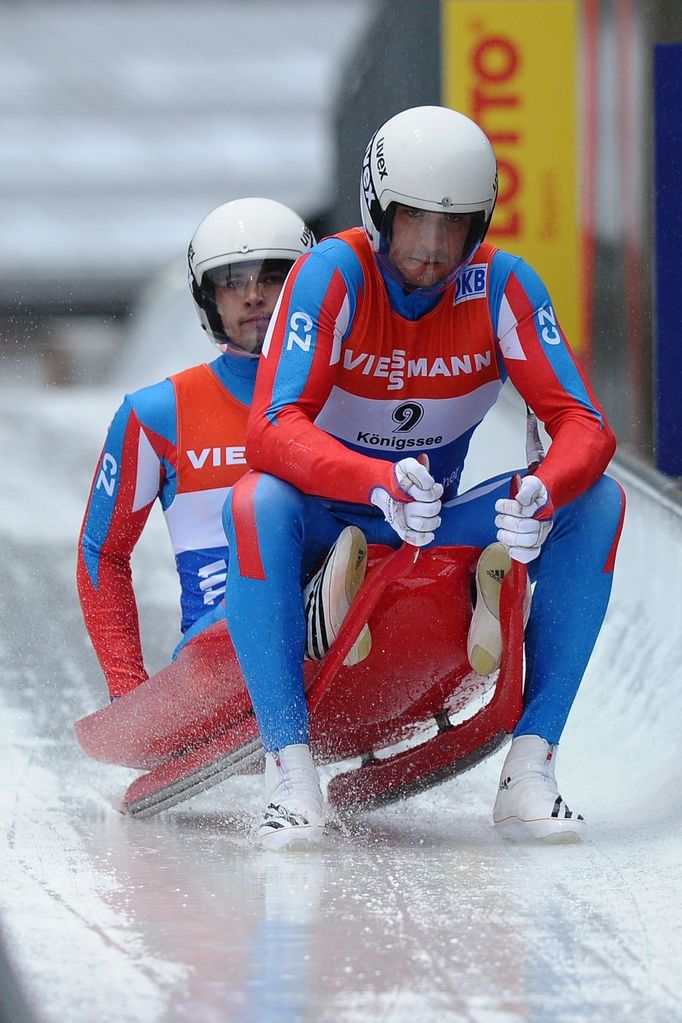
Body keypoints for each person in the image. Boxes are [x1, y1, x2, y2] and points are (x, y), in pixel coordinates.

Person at [222, 106, 626, 849]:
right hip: (331, 514)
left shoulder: (503, 285)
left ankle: (530, 769)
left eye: (455, 225)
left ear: (481, 225)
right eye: (414, 221)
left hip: (434, 516)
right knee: (255, 503)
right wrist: (374, 479)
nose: (433, 248)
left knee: (596, 500)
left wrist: (547, 487)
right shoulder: (331, 275)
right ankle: (291, 773)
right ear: (379, 209)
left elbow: (585, 425)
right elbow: (271, 429)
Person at [78, 197, 369, 702]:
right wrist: (128, 691)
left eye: (273, 278)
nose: (254, 297)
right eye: (234, 282)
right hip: (218, 652)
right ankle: (316, 613)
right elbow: (102, 551)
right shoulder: (156, 413)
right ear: (209, 299)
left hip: (361, 631)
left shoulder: (361, 392)